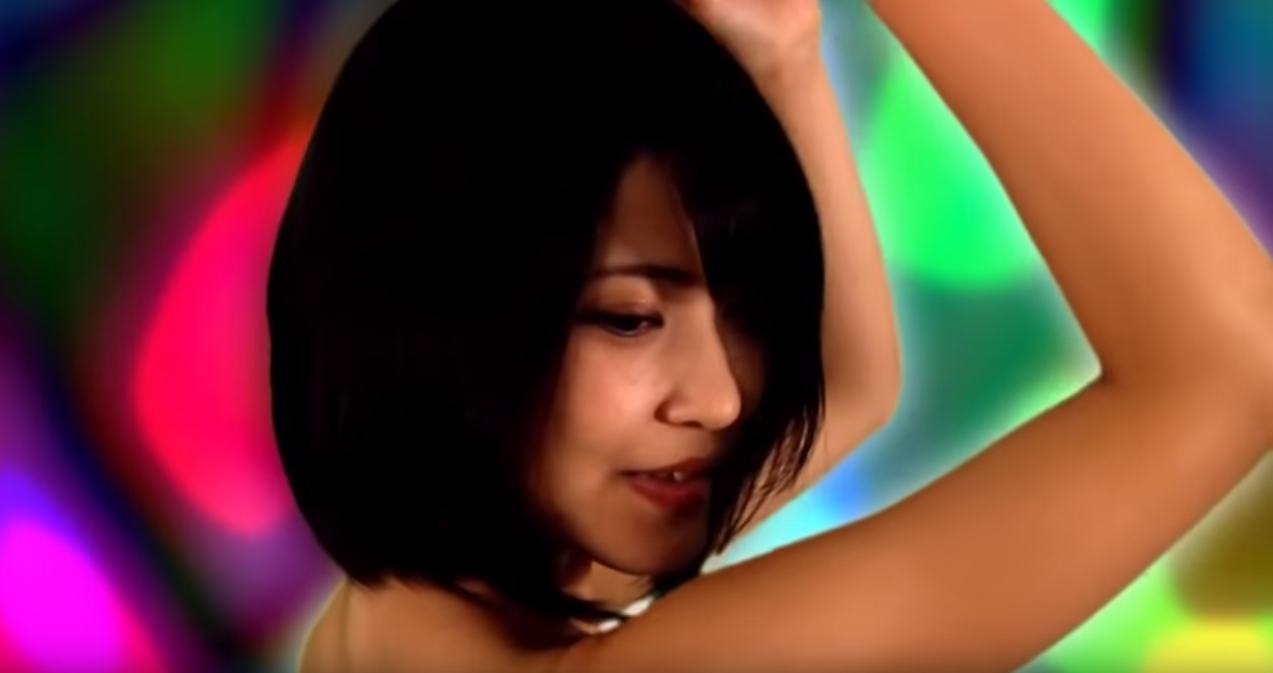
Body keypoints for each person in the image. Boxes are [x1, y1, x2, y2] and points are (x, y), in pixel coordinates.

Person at [267, 0, 1273, 670]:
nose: (720, 399)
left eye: (741, 310)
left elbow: (847, 386)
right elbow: (1228, 366)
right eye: (630, 318)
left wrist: (782, 57)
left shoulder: (405, 605)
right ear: (432, 308)